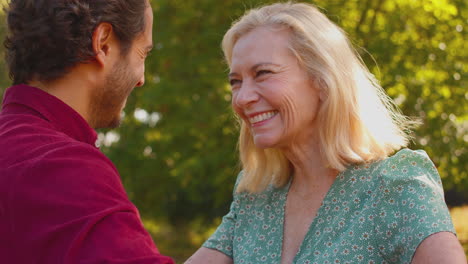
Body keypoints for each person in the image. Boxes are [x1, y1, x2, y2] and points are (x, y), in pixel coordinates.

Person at [186, 2, 466, 264]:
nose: (242, 97)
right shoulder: (254, 196)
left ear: (323, 81)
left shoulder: (397, 187)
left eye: (263, 73)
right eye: (236, 81)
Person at [0, 0, 174, 263]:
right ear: (103, 43)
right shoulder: (64, 167)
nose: (141, 78)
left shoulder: (12, 144)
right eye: (142, 54)